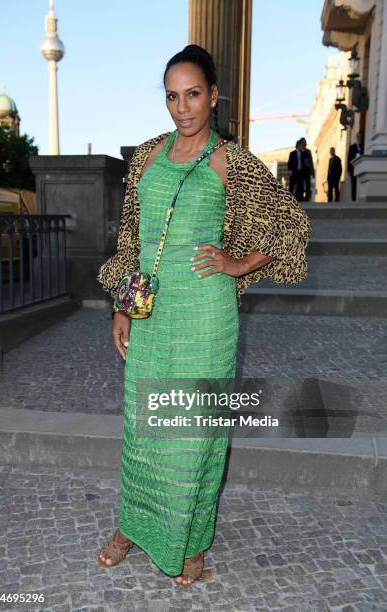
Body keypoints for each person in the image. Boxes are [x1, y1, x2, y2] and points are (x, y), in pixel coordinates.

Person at [96, 44, 311, 587]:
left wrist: (237, 262)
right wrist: (122, 307)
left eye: (193, 94)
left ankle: (190, 545)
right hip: (149, 314)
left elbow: (289, 226)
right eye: (172, 96)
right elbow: (130, 240)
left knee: (192, 434)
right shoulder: (145, 156)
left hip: (206, 315)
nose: (182, 108)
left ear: (213, 96)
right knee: (143, 428)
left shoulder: (229, 160)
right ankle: (132, 528)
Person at [347, 131, 364, 201]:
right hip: (353, 168)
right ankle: (353, 199)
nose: (359, 138)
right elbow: (349, 158)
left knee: (361, 183)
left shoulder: (364, 146)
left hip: (362, 167)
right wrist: (348, 169)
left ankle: (361, 198)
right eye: (358, 136)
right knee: (353, 184)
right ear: (356, 137)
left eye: (360, 136)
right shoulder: (352, 147)